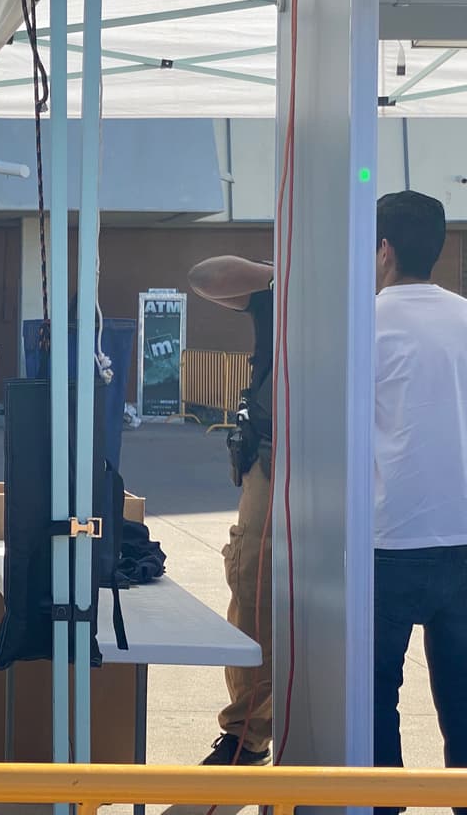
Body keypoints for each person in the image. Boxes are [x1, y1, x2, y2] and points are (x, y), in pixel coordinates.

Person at [372, 191, 467, 815]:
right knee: (463, 699)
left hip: (387, 541)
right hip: (462, 543)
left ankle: (384, 804)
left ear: (382, 249)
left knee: (376, 696)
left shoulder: (363, 325)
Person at [188, 254, 276, 766]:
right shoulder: (279, 287)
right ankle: (248, 734)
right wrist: (277, 273)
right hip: (271, 455)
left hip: (346, 457)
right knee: (253, 587)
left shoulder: (375, 290)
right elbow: (204, 277)